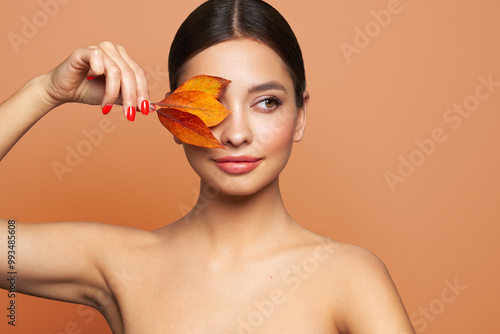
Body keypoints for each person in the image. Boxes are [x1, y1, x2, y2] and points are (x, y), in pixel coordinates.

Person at [0, 0, 416, 333]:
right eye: (208, 107)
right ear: (174, 119)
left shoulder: (349, 278)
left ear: (300, 115)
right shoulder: (120, 265)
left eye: (266, 102)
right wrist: (45, 91)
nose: (236, 134)